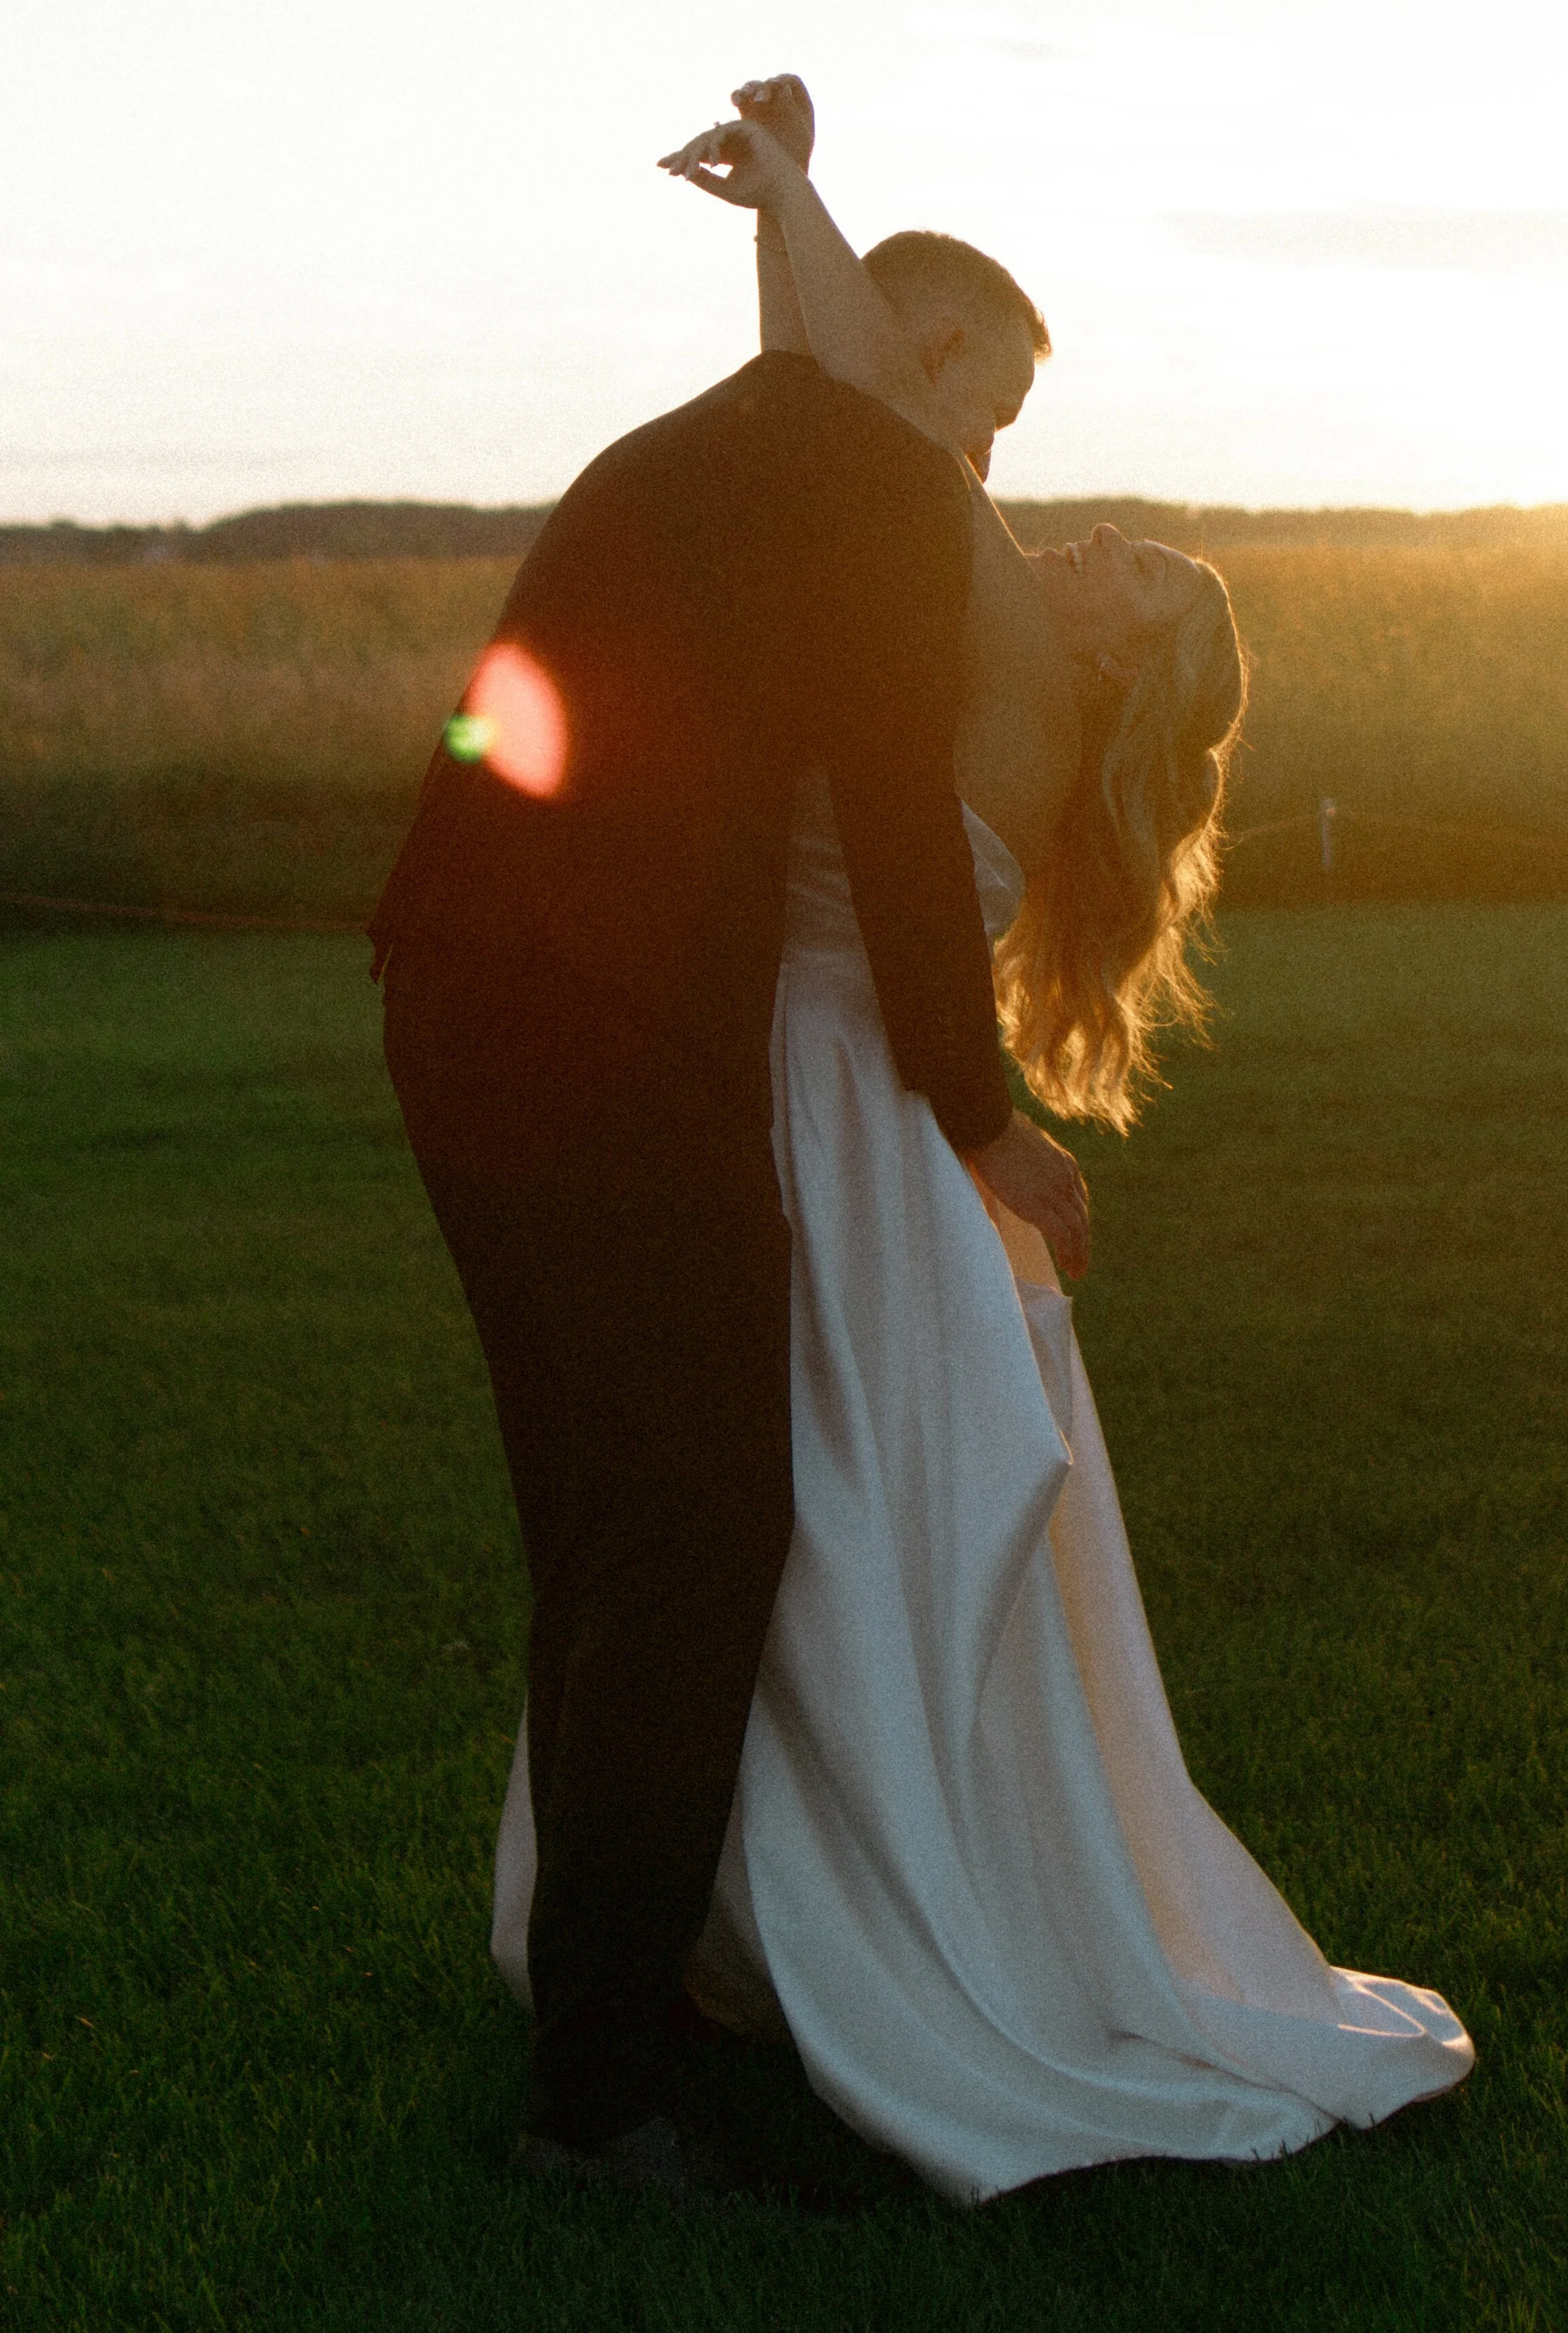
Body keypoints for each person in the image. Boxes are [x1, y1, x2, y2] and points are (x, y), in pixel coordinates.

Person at [489, 80, 1475, 2204]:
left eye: (1138, 569)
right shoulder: (951, 604)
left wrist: (797, 194)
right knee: (764, 1528)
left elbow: (860, 410)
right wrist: (788, 227)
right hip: (783, 1076)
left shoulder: (1008, 661)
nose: (1076, 530)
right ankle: (722, 1936)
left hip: (835, 1105)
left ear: (1133, 660)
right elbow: (828, 421)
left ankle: (830, 1937)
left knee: (804, 1527)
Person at [371, 199, 1091, 2194]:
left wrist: (787, 188)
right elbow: (897, 817)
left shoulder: (709, 443)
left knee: (597, 1519)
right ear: (921, 360)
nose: (984, 464)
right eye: (990, 411)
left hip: (450, 982)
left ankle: (618, 1990)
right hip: (606, 1034)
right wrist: (980, 1116)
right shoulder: (875, 489)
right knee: (699, 1527)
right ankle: (603, 2097)